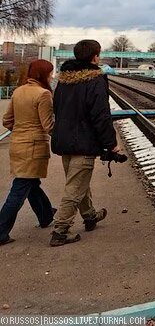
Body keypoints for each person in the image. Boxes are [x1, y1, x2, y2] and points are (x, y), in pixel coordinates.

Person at [49, 39, 119, 246]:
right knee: (75, 187)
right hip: (83, 141)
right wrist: (111, 143)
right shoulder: (95, 80)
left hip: (64, 140)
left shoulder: (63, 80)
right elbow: (100, 115)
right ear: (95, 57)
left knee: (78, 182)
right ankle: (60, 230)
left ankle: (89, 216)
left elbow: (58, 108)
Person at [0, 60, 57, 245]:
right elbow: (48, 126)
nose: (52, 76)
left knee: (31, 183)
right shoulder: (43, 94)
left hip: (17, 145)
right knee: (20, 188)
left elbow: (7, 121)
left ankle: (46, 215)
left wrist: (21, 130)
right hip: (34, 147)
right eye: (51, 73)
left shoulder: (18, 91)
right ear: (43, 75)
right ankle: (1, 232)